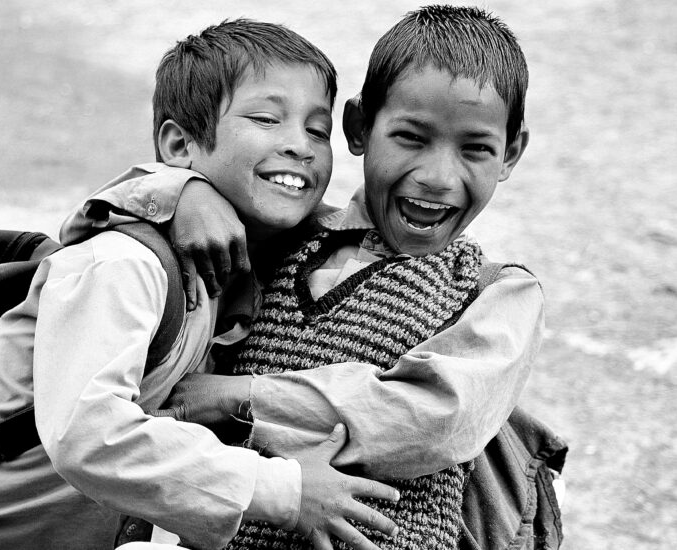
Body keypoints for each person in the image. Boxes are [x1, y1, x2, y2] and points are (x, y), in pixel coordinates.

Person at [66, 6, 563, 550]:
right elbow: (91, 226)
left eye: (476, 149)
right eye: (411, 138)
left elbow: (435, 416)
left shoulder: (497, 292)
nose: (438, 176)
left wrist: (238, 397)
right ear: (357, 128)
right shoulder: (283, 234)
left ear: (511, 152)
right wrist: (181, 191)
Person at [0, 19, 402, 550]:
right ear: (180, 143)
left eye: (317, 129)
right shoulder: (122, 264)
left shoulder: (247, 262)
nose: (299, 146)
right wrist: (286, 491)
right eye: (267, 119)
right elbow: (88, 436)